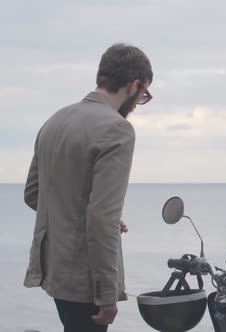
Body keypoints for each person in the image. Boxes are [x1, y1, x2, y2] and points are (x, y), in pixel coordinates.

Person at [23, 43, 153, 332]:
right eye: (143, 95)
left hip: (55, 271)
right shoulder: (117, 130)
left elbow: (33, 194)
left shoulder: (55, 120)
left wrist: (82, 218)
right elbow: (101, 218)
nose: (139, 102)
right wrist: (107, 294)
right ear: (134, 85)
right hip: (86, 279)